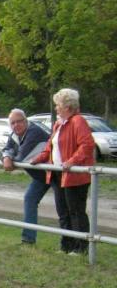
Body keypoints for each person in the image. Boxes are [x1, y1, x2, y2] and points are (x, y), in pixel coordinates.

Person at [30, 88, 95, 255]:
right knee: (63, 212)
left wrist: (72, 161)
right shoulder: (59, 124)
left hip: (75, 175)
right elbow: (50, 147)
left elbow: (87, 145)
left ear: (67, 106)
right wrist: (37, 159)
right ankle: (66, 245)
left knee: (76, 211)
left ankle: (81, 247)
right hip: (57, 173)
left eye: (58, 105)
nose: (56, 108)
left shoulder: (78, 121)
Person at [1, 109, 51, 245]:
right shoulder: (15, 135)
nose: (16, 125)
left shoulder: (34, 132)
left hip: (56, 173)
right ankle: (28, 239)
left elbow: (21, 157)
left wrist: (9, 158)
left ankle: (72, 245)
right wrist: (6, 157)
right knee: (30, 199)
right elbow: (6, 148)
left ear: (26, 121)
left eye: (19, 121)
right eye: (13, 123)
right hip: (41, 176)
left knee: (66, 209)